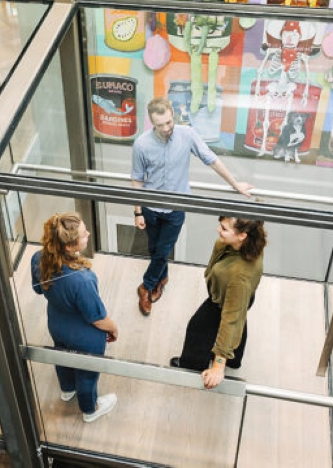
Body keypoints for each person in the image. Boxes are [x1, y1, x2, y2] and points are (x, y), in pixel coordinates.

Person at [131, 97, 254, 316]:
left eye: (169, 122)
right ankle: (162, 278)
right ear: (152, 123)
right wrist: (138, 211)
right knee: (155, 249)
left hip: (176, 208)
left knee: (162, 251)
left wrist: (235, 184)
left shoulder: (186, 135)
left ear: (172, 115)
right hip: (151, 208)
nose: (166, 128)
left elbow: (211, 159)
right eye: (160, 125)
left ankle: (145, 286)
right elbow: (137, 180)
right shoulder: (141, 144)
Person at [31, 212, 119, 423]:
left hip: (57, 324)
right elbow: (97, 318)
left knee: (62, 357)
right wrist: (114, 328)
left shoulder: (38, 258)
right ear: (70, 246)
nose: (88, 233)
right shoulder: (82, 279)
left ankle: (67, 389)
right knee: (87, 374)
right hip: (85, 336)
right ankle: (90, 409)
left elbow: (38, 290)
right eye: (83, 234)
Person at [170, 216, 267, 390]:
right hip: (240, 297)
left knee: (197, 328)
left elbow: (231, 319)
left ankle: (192, 366)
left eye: (224, 228)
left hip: (225, 300)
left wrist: (218, 364)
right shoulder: (251, 243)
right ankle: (234, 359)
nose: (218, 230)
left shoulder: (239, 277)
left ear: (242, 235)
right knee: (240, 320)